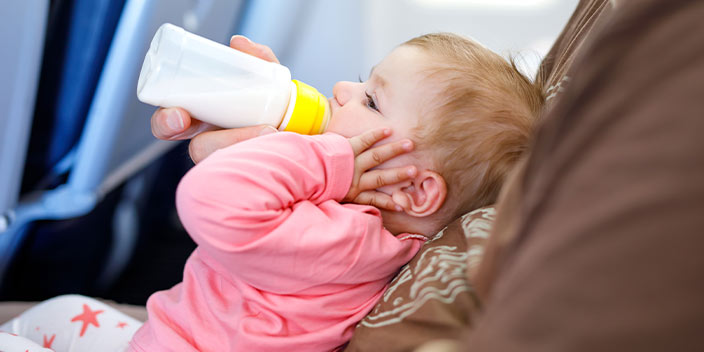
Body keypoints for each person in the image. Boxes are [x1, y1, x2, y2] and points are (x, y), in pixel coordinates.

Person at [1, 32, 542, 351]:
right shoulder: (359, 228)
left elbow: (208, 201)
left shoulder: (351, 243)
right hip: (169, 333)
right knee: (62, 310)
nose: (342, 90)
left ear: (414, 189)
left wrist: (324, 156)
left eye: (372, 102)